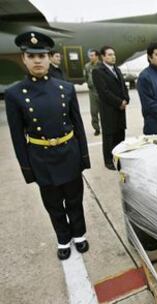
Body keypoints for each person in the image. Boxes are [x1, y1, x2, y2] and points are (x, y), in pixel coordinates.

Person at [5, 32, 90, 260]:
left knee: (74, 199)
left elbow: (78, 126)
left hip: (68, 153)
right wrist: (27, 169)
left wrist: (84, 157)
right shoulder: (14, 94)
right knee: (53, 204)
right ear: (24, 59)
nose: (37, 60)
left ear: (49, 57)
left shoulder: (66, 88)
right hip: (41, 158)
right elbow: (17, 137)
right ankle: (63, 238)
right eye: (31, 56)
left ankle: (79, 234)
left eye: (41, 55)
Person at [92, 46, 129, 170]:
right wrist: (119, 102)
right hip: (109, 109)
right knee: (109, 136)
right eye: (109, 54)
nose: (113, 57)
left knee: (120, 134)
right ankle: (108, 161)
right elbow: (104, 92)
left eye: (113, 54)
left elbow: (123, 86)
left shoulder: (117, 70)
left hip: (120, 109)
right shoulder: (98, 71)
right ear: (103, 56)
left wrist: (126, 99)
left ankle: (118, 157)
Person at [84, 49, 101, 136]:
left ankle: (105, 127)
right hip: (92, 91)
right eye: (89, 55)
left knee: (104, 111)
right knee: (93, 111)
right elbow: (86, 77)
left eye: (92, 55)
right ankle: (96, 128)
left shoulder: (101, 66)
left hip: (101, 91)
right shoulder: (87, 66)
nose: (90, 57)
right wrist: (90, 84)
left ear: (97, 56)